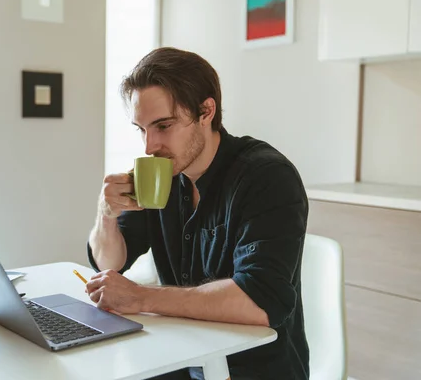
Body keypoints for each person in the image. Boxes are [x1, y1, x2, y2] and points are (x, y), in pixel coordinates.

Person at [86, 47, 309, 380]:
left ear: (206, 111)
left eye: (163, 125)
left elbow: (260, 301)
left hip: (251, 368)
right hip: (180, 357)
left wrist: (142, 296)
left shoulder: (267, 177)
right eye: (142, 129)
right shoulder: (162, 173)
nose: (150, 146)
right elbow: (109, 263)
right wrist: (106, 214)